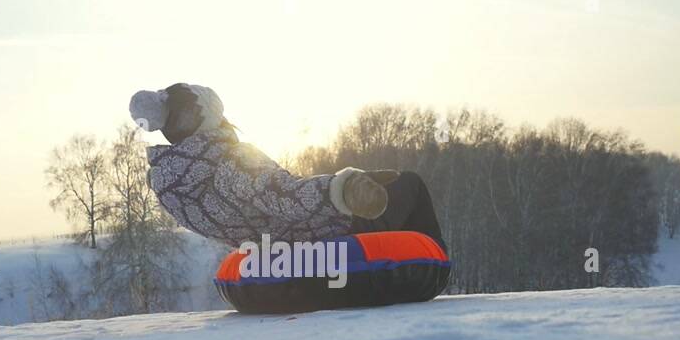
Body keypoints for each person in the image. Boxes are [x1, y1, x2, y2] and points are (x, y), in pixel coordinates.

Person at [130, 83, 446, 252]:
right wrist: (344, 189)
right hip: (322, 237)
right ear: (211, 120)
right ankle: (429, 267)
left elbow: (257, 204)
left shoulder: (170, 186)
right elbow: (286, 196)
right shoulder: (232, 160)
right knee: (410, 185)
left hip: (273, 250)